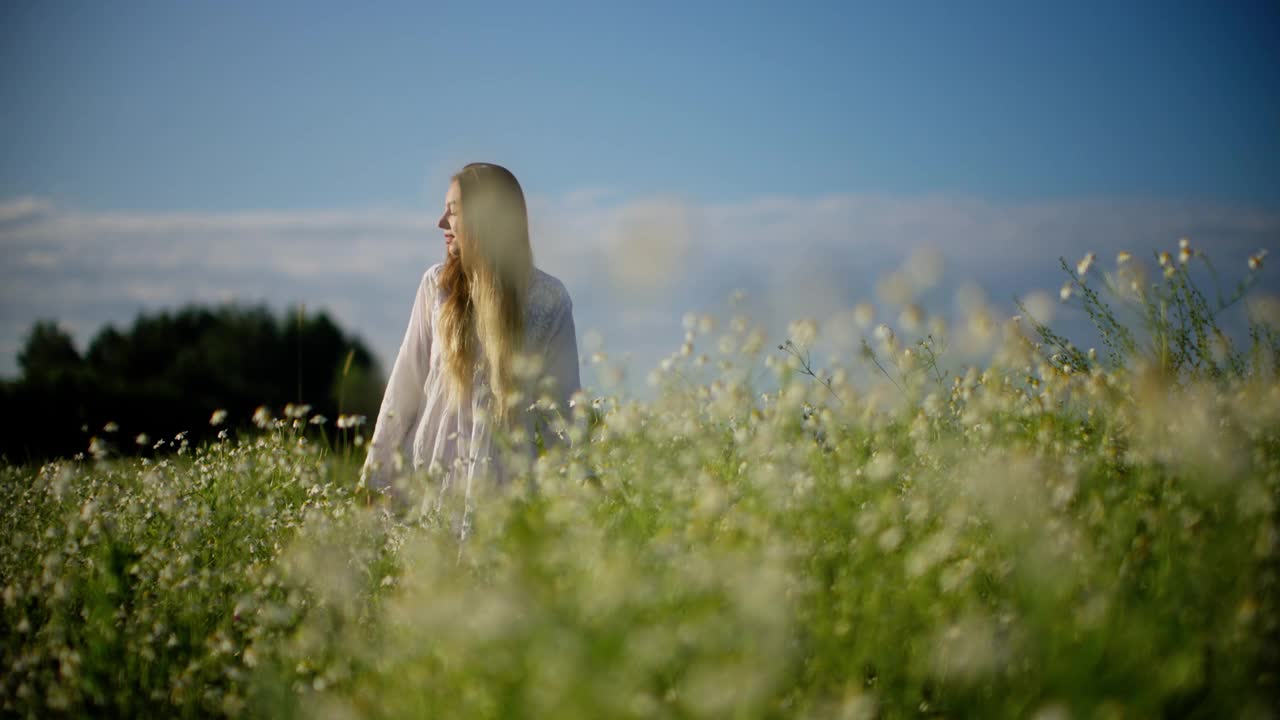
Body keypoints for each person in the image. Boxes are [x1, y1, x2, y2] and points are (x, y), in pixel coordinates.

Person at [359, 163, 580, 522]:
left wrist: (578, 485)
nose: (441, 223)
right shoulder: (437, 286)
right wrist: (375, 473)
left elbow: (564, 406)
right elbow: (405, 385)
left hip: (505, 485)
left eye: (454, 211)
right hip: (431, 478)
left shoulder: (549, 298)